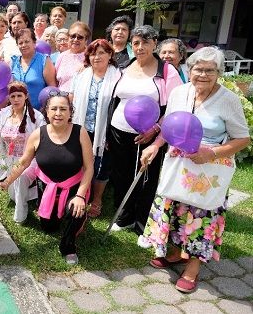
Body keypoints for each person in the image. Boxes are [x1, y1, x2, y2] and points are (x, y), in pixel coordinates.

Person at [139, 47, 250, 293]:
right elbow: (169, 126)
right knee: (176, 209)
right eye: (198, 69)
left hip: (208, 169)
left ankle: (193, 267)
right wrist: (155, 146)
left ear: (219, 73)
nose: (202, 74)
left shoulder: (228, 100)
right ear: (189, 70)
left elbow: (242, 138)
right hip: (178, 164)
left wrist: (210, 153)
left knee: (201, 216)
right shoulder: (180, 92)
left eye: (209, 70)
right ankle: (177, 252)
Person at [0, 91, 93, 264]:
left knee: (76, 212)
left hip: (74, 186)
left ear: (70, 112)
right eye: (54, 109)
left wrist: (80, 195)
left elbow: (89, 167)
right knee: (49, 227)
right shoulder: (38, 134)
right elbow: (23, 162)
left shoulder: (80, 133)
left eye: (63, 109)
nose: (58, 113)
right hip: (47, 186)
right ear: (47, 112)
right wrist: (7, 181)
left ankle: (68, 245)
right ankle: (57, 213)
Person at [107, 25, 182, 236]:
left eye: (145, 42)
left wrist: (156, 129)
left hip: (149, 135)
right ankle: (125, 217)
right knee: (121, 176)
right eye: (136, 43)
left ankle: (142, 222)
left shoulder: (167, 71)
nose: (140, 47)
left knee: (145, 179)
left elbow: (175, 107)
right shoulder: (125, 66)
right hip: (118, 130)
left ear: (154, 44)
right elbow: (115, 100)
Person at [70, 39, 120, 218]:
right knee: (81, 162)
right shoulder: (82, 75)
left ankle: (97, 199)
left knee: (102, 165)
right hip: (83, 128)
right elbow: (72, 98)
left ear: (110, 55)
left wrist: (110, 135)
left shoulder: (118, 77)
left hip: (106, 131)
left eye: (101, 53)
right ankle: (81, 194)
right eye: (93, 53)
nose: (96, 57)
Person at [0, 82, 45, 223]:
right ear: (8, 98)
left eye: (19, 95)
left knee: (21, 180)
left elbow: (43, 142)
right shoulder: (4, 113)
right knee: (14, 193)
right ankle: (35, 193)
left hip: (30, 161)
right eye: (13, 96)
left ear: (26, 96)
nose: (16, 99)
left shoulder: (37, 117)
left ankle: (20, 215)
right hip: (9, 160)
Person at [11, 28, 57, 110]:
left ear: (34, 43)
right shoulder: (13, 62)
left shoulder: (44, 60)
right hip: (17, 112)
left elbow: (52, 87)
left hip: (39, 114)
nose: (24, 45)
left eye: (27, 41)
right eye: (20, 43)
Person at [55, 21, 91, 92]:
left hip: (81, 99)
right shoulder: (62, 56)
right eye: (73, 36)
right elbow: (55, 81)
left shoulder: (91, 56)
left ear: (86, 39)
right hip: (62, 99)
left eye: (80, 37)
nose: (75, 40)